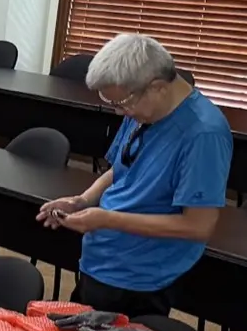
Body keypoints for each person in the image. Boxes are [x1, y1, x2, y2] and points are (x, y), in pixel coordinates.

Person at [35, 34, 232, 316]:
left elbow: (197, 226)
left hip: (141, 277)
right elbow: (122, 168)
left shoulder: (203, 134)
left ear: (157, 87)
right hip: (102, 258)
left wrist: (107, 219)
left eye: (123, 103)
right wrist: (83, 200)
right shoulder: (143, 109)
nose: (120, 112)